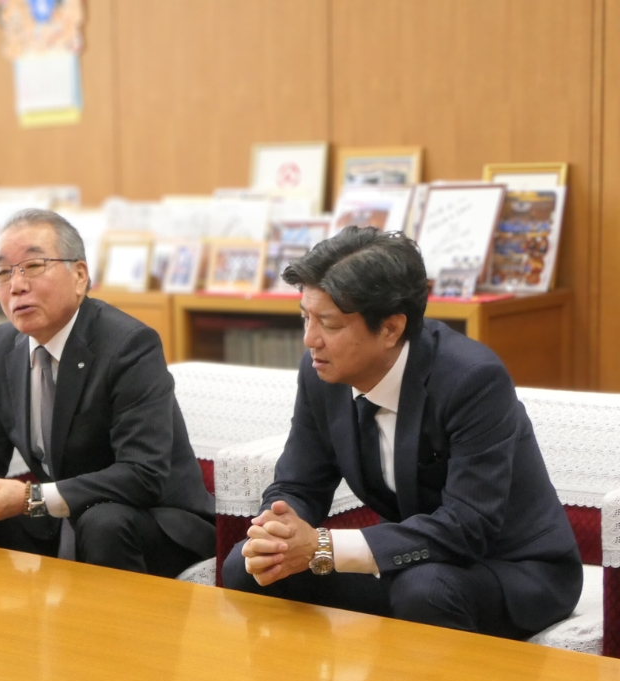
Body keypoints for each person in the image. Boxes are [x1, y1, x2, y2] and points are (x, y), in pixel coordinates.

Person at [225, 227, 581, 637]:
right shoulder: (322, 373)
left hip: (509, 568)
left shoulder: (472, 380)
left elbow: (468, 526)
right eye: (305, 317)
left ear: (391, 328)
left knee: (424, 591)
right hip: (411, 560)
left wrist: (323, 546)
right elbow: (299, 484)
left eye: (329, 324)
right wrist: (279, 531)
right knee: (250, 567)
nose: (310, 340)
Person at [0, 209, 214, 576]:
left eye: (33, 266)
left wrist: (31, 498)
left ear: (79, 276)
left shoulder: (129, 345)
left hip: (150, 519)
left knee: (102, 522)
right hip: (59, 517)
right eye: (3, 272)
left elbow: (142, 474)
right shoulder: (2, 345)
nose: (16, 285)